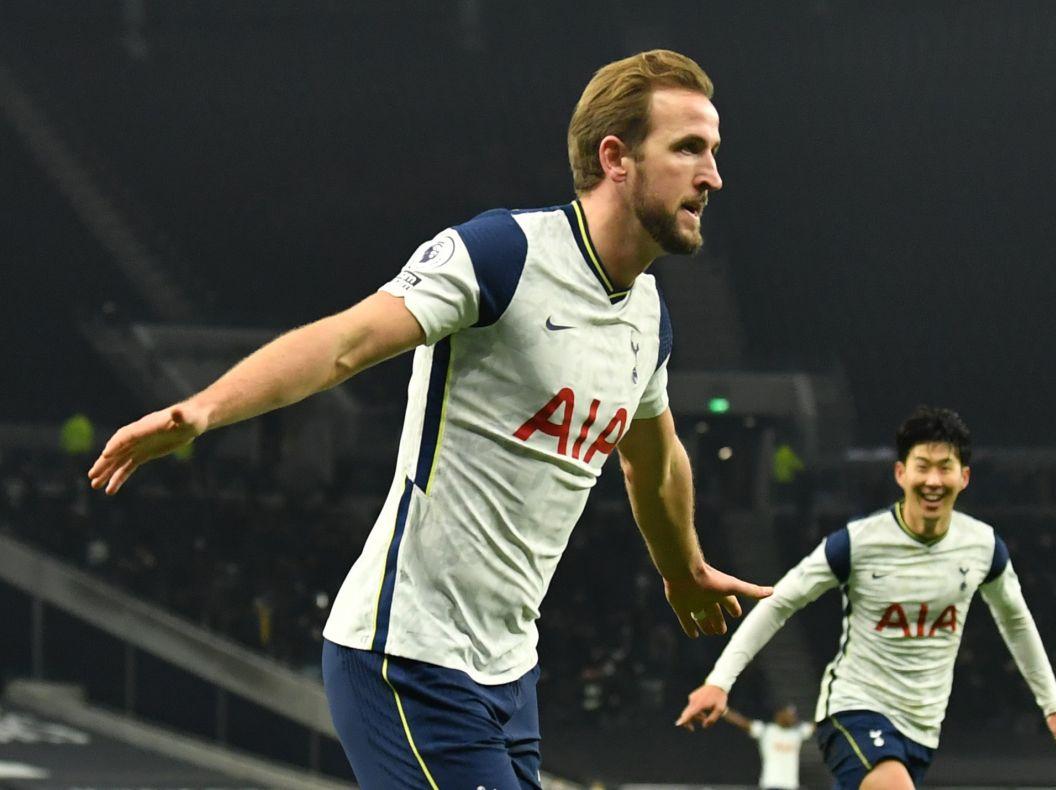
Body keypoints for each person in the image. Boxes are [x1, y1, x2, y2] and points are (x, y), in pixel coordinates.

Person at [88, 49, 772, 789]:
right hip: (405, 658)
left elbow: (653, 454)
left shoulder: (648, 316)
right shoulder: (502, 253)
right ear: (616, 158)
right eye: (689, 149)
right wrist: (203, 410)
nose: (713, 175)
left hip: (509, 676)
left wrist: (683, 569)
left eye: (713, 151)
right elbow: (347, 343)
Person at [676, 407, 1056, 789]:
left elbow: (1016, 621)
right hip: (854, 710)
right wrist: (720, 680)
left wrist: (1055, 705)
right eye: (922, 467)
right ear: (901, 473)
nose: (933, 480)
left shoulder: (983, 548)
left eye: (945, 467)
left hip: (922, 728)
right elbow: (781, 601)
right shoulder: (857, 543)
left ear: (964, 477)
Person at [720, 703, 815, 790]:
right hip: (771, 784)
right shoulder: (767, 730)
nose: (793, 717)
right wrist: (723, 711)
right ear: (779, 714)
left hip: (791, 785)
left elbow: (818, 725)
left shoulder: (797, 732)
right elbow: (743, 722)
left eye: (793, 715)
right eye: (789, 714)